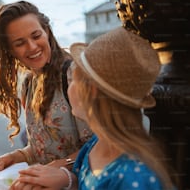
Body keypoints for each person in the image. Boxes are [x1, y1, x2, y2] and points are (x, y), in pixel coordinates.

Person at [10, 27, 176, 189]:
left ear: (91, 91)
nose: (69, 85)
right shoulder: (96, 145)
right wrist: (66, 179)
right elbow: (81, 182)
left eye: (74, 79)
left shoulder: (134, 178)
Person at [0, 0, 92, 172]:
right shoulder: (29, 83)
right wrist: (16, 156)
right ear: (10, 50)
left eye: (36, 36)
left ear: (47, 32)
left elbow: (100, 144)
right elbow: (44, 148)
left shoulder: (75, 74)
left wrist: (59, 167)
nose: (32, 47)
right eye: (19, 43)